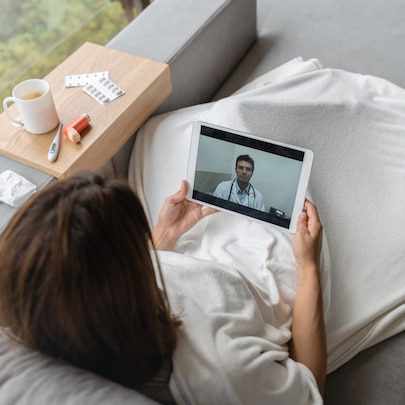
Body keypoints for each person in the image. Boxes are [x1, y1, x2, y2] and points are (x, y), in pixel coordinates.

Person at [0, 171, 325, 403]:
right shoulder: (224, 370)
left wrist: (164, 234)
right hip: (252, 283)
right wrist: (308, 267)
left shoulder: (48, 321)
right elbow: (309, 388)